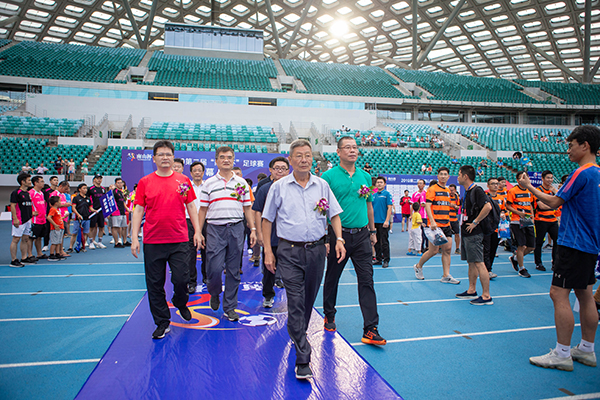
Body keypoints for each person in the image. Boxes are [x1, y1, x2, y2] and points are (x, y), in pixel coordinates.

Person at [262, 139, 345, 380]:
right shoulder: (279, 187)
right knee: (296, 302)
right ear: (290, 159)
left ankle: (299, 334)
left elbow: (334, 214)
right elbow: (267, 219)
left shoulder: (321, 185)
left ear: (312, 159)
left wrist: (338, 238)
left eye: (307, 155)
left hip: (318, 251)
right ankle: (303, 357)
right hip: (289, 251)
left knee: (308, 301)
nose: (304, 159)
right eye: (298, 155)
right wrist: (268, 250)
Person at [522, 125, 600, 371]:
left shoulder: (581, 172)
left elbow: (554, 201)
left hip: (573, 243)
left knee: (558, 293)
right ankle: (587, 349)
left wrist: (529, 187)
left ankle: (562, 354)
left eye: (571, 145)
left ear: (584, 145)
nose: (568, 150)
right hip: (590, 244)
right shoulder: (598, 173)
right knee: (585, 294)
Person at [131, 140, 201, 340]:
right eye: (160, 154)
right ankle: (162, 322)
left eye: (168, 154)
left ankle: (180, 301)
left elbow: (191, 207)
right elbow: (138, 209)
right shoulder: (145, 182)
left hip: (179, 238)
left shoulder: (183, 180)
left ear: (173, 157)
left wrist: (197, 231)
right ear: (154, 159)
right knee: (155, 283)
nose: (164, 157)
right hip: (153, 240)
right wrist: (135, 236)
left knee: (181, 279)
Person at [321, 137, 386, 346]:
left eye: (355, 147)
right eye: (347, 147)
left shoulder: (365, 176)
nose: (352, 150)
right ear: (338, 152)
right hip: (337, 236)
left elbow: (368, 206)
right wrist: (325, 237)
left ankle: (370, 328)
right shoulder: (328, 177)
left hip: (361, 236)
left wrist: (372, 231)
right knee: (332, 278)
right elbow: (322, 209)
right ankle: (329, 315)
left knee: (367, 280)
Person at [198, 146, 257, 322]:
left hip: (237, 228)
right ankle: (214, 292)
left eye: (229, 157)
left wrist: (252, 229)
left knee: (233, 270)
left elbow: (248, 208)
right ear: (216, 161)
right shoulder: (208, 183)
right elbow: (202, 209)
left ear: (233, 160)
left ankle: (230, 306)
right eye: (222, 157)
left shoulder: (242, 183)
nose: (226, 160)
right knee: (214, 268)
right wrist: (199, 232)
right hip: (215, 229)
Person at [252, 156, 289, 308]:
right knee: (269, 268)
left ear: (288, 171)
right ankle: (268, 294)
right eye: (277, 168)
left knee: (291, 269)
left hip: (289, 237)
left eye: (283, 168)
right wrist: (259, 232)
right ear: (271, 170)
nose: (280, 171)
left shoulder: (293, 188)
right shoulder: (264, 189)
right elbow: (257, 211)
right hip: (271, 236)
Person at [413, 167, 459, 284]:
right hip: (435, 225)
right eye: (441, 174)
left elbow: (444, 204)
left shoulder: (448, 191)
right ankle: (418, 266)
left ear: (448, 177)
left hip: (446, 223)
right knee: (433, 251)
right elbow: (428, 206)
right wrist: (432, 221)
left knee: (447, 249)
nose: (443, 176)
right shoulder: (432, 189)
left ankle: (446, 275)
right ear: (437, 176)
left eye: (445, 174)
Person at [456, 165, 493, 305]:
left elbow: (487, 206)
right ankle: (472, 289)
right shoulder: (468, 191)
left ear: (465, 176)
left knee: (479, 262)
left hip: (474, 233)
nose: (458, 176)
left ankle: (486, 296)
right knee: (471, 262)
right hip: (466, 232)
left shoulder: (477, 190)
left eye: (459, 174)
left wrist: (475, 222)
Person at [506, 171, 535, 278]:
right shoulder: (513, 191)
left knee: (531, 246)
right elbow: (508, 206)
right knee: (521, 245)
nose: (526, 179)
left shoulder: (530, 190)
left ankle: (514, 258)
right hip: (516, 221)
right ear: (518, 180)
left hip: (528, 221)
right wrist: (519, 213)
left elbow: (530, 204)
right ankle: (522, 268)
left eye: (527, 177)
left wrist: (532, 216)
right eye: (523, 177)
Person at [533, 170, 559, 272]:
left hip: (553, 220)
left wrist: (556, 192)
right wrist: (553, 204)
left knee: (557, 242)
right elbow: (541, 206)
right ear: (542, 178)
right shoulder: (538, 190)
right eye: (548, 178)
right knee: (539, 242)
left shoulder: (553, 190)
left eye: (552, 178)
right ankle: (538, 263)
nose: (550, 180)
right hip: (541, 220)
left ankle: (555, 263)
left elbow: (560, 200)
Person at [186, 161, 206, 294]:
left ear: (203, 172)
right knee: (190, 253)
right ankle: (191, 282)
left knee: (208, 252)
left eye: (200, 170)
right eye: (195, 170)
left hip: (206, 221)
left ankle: (207, 278)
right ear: (191, 173)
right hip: (189, 222)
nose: (197, 173)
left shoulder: (208, 186)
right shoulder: (186, 187)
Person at [10, 173, 36, 267]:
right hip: (19, 219)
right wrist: (15, 218)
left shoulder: (27, 193)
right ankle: (13, 260)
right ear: (23, 181)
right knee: (16, 239)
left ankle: (24, 258)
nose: (30, 182)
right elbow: (13, 206)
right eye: (28, 180)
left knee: (25, 239)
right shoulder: (16, 193)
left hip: (28, 219)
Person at [484, 177, 504, 279]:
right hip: (487, 228)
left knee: (493, 249)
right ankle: (486, 270)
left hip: (497, 229)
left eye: (497, 184)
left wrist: (504, 214)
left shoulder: (501, 198)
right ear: (488, 185)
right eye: (492, 184)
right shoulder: (484, 197)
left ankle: (489, 268)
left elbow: (504, 210)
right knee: (486, 250)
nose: (495, 185)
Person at [372, 176, 393, 268]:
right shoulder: (373, 195)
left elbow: (389, 208)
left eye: (381, 182)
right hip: (374, 222)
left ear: (384, 184)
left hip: (383, 222)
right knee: (376, 242)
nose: (379, 184)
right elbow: (371, 209)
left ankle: (386, 260)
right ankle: (378, 259)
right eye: (378, 182)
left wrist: (387, 220)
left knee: (384, 242)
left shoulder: (387, 194)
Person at [70, 183, 95, 252]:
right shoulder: (76, 198)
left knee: (85, 233)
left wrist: (94, 211)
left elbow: (90, 208)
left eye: (86, 188)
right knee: (75, 233)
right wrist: (78, 214)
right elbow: (73, 208)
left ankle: (82, 246)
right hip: (78, 219)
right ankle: (70, 247)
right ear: (79, 189)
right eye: (84, 188)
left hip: (87, 218)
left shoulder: (88, 198)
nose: (85, 190)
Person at [29, 176, 48, 260]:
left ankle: (39, 253)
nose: (43, 183)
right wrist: (31, 213)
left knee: (39, 237)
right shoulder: (31, 193)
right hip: (35, 219)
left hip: (42, 219)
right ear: (36, 183)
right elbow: (27, 205)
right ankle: (29, 254)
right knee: (32, 238)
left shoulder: (41, 193)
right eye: (41, 181)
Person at [88, 175, 107, 249]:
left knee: (101, 227)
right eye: (97, 179)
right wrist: (91, 208)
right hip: (93, 211)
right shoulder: (90, 189)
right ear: (94, 180)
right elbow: (88, 200)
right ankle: (91, 242)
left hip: (101, 211)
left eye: (100, 179)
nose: (99, 180)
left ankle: (99, 242)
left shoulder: (103, 189)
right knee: (92, 227)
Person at [111, 178, 129, 248]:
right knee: (115, 227)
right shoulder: (114, 192)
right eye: (118, 183)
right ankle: (116, 243)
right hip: (116, 212)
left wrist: (127, 209)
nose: (120, 184)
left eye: (121, 183)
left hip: (122, 212)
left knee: (124, 227)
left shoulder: (121, 192)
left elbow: (123, 202)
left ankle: (124, 241)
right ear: (115, 184)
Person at [46, 196, 65, 261]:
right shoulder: (53, 209)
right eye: (59, 201)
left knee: (58, 242)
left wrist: (64, 216)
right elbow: (49, 217)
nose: (61, 203)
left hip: (60, 227)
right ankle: (51, 254)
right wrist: (55, 225)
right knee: (54, 242)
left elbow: (58, 219)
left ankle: (57, 253)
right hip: (55, 228)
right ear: (56, 203)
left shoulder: (57, 210)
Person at [412, 179, 428, 252]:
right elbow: (412, 205)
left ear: (424, 184)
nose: (419, 185)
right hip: (417, 217)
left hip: (425, 216)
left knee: (426, 232)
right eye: (418, 183)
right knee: (418, 233)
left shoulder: (426, 193)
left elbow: (426, 204)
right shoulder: (415, 194)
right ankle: (419, 247)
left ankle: (427, 247)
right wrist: (411, 215)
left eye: (421, 183)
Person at [448, 184, 461, 255]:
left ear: (455, 190)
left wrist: (456, 207)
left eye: (452, 190)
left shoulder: (457, 197)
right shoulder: (446, 196)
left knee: (457, 234)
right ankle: (442, 248)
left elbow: (459, 206)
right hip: (447, 219)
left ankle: (457, 248)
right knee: (446, 235)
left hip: (455, 218)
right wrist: (450, 204)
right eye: (450, 190)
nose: (451, 191)